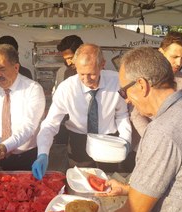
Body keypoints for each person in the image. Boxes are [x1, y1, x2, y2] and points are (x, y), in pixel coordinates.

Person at [97, 46, 182, 212]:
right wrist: (128, 189)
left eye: (124, 91)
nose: (126, 99)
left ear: (142, 85)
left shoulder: (164, 130)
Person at [32, 44, 132, 180]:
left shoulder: (116, 81)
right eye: (81, 74)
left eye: (91, 74)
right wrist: (42, 152)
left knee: (109, 181)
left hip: (109, 141)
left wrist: (126, 141)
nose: (86, 79)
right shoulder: (66, 88)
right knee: (80, 181)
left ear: (102, 65)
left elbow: (121, 115)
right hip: (78, 141)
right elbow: (50, 123)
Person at [0, 44, 45, 171]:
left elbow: (28, 128)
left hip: (27, 157)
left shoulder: (33, 89)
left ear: (16, 67)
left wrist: (2, 147)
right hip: (0, 156)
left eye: (2, 69)